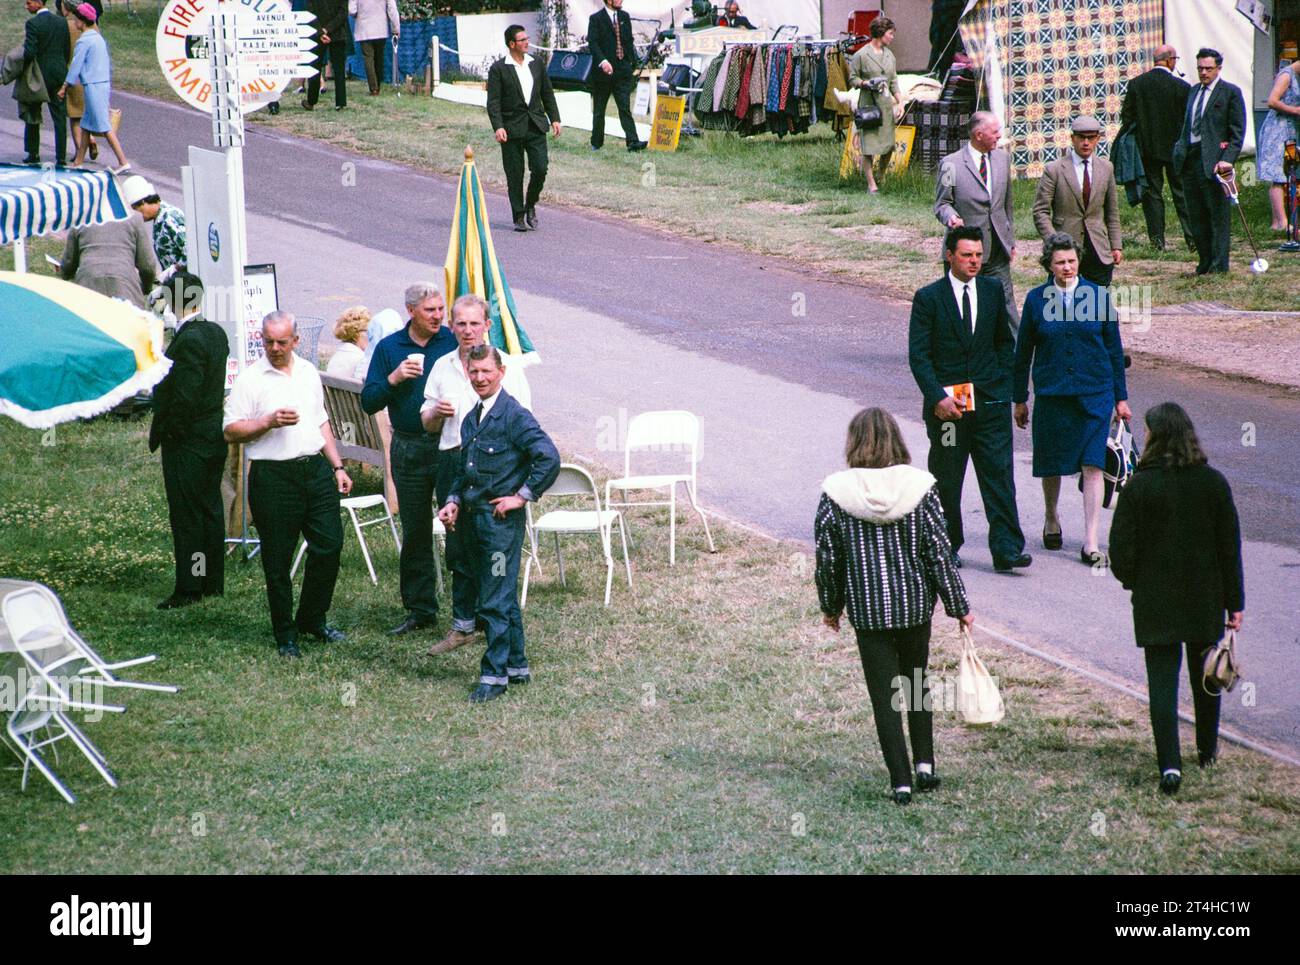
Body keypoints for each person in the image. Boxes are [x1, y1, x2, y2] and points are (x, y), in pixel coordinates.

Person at [815, 408, 971, 805]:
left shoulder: (836, 493)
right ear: (896, 440)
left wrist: (830, 606)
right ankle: (925, 764)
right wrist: (959, 606)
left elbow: (828, 560)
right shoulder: (920, 488)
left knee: (884, 697)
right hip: (915, 608)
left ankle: (899, 780)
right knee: (916, 685)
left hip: (868, 613)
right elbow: (939, 553)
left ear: (853, 442)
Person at [1109, 402, 1244, 795]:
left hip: (1156, 600)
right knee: (1207, 680)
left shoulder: (1138, 486)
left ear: (1157, 437)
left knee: (1162, 685)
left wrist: (1135, 581)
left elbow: (1121, 553)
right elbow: (1228, 549)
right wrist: (1234, 602)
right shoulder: (1213, 483)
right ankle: (1206, 752)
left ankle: (1169, 765)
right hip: (1205, 598)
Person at [224, 312, 354, 658]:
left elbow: (321, 421)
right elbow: (230, 430)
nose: (275, 348)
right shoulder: (251, 379)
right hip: (273, 477)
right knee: (278, 560)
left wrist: (337, 466)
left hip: (314, 470)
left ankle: (312, 619)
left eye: (282, 342)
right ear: (261, 340)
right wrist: (266, 422)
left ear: (296, 341)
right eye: (269, 341)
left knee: (329, 546)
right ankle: (285, 634)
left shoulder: (309, 371)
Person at [437, 345, 559, 703]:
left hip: (500, 526)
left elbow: (548, 457)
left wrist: (521, 496)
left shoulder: (514, 416)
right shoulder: (471, 417)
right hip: (472, 522)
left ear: (501, 372)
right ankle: (517, 666)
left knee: (492, 599)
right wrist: (453, 501)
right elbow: (465, 471)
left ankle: (494, 676)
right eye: (474, 373)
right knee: (500, 595)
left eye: (486, 372)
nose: (480, 379)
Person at [908, 225, 1029, 573]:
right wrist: (937, 398)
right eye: (967, 255)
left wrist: (1002, 383)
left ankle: (1007, 547)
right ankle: (945, 545)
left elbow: (1005, 343)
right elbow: (919, 356)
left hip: (990, 405)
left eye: (978, 255)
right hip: (949, 413)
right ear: (950, 256)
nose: (974, 261)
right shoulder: (929, 298)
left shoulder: (992, 291)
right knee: (946, 477)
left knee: (999, 474)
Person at [421, 294, 532, 657]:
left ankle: (496, 622)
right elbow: (425, 422)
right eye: (461, 324)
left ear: (487, 325)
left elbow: (527, 429)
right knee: (460, 551)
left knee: (495, 552)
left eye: (474, 323)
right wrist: (436, 411)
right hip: (454, 465)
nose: (467, 331)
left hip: (496, 473)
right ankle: (463, 625)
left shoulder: (506, 366)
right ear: (451, 327)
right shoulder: (442, 366)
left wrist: (518, 488)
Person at [1013, 233, 1131, 565]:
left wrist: (1121, 399)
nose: (1067, 267)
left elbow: (1113, 350)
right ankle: (1051, 517)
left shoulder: (1097, 297)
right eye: (1060, 262)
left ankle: (1091, 541)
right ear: (1048, 265)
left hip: (1095, 394)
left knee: (1093, 464)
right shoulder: (1037, 300)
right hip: (1052, 394)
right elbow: (1022, 354)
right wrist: (1019, 398)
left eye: (1071, 261)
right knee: (1051, 462)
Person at [361, 283, 457, 637]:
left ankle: (466, 611)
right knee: (415, 529)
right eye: (430, 310)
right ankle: (420, 610)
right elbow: (369, 401)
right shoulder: (389, 348)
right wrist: (395, 378)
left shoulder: (451, 341)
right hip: (409, 446)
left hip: (448, 444)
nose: (438, 317)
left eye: (440, 309)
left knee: (457, 524)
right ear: (411, 311)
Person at [148, 272, 230, 610]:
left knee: (187, 514)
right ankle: (211, 580)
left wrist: (171, 430)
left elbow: (185, 396)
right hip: (212, 434)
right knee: (209, 507)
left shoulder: (191, 340)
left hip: (189, 441)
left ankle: (190, 584)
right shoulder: (214, 332)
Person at [935, 111, 1019, 332]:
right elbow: (942, 204)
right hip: (965, 248)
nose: (999, 136)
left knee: (1006, 301)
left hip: (998, 247)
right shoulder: (950, 164)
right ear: (979, 134)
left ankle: (1017, 352)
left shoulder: (1003, 159)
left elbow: (1006, 205)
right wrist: (951, 217)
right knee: (962, 303)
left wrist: (1010, 241)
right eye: (995, 132)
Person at [1171, 48, 1246, 275]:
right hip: (1190, 159)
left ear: (1219, 68)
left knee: (1217, 215)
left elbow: (1237, 132)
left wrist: (1227, 160)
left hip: (1214, 162)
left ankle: (1218, 265)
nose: (1204, 72)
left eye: (1208, 68)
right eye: (1200, 68)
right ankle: (1204, 262)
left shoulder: (1230, 92)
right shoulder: (1193, 91)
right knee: (1196, 214)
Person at [1031, 116, 1123, 287]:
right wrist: (1054, 242)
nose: (1086, 143)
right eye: (1081, 137)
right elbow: (1040, 211)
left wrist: (1116, 244)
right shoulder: (1055, 169)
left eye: (1091, 138)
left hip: (1098, 247)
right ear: (1073, 139)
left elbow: (1112, 211)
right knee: (1063, 301)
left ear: (1098, 139)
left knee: (1098, 301)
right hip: (1066, 246)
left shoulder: (1106, 168)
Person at [487, 24, 562, 232]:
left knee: (540, 167)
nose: (527, 42)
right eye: (522, 40)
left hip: (536, 125)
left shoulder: (536, 63)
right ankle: (518, 215)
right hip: (511, 128)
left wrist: (555, 118)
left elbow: (547, 93)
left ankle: (530, 205)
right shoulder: (499, 69)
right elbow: (493, 102)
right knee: (515, 173)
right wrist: (498, 127)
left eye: (527, 38)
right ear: (512, 44)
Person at [1120, 45, 1194, 251]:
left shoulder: (1136, 84)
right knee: (1182, 193)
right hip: (1176, 150)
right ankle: (1193, 240)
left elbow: (1127, 117)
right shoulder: (1182, 87)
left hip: (1148, 149)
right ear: (1170, 60)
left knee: (1152, 194)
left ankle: (1157, 242)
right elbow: (1189, 122)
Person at [59, 4, 126, 170]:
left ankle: (123, 161)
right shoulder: (98, 38)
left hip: (92, 85)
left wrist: (65, 86)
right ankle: (78, 161)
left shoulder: (84, 41)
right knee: (86, 125)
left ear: (82, 21)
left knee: (104, 125)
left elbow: (75, 66)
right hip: (102, 83)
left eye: (76, 19)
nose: (74, 22)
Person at [848, 16, 904, 194]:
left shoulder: (890, 55)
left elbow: (893, 80)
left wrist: (900, 101)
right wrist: (865, 84)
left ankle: (880, 175)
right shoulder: (861, 55)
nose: (892, 37)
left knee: (888, 145)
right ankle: (871, 184)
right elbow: (852, 78)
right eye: (890, 33)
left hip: (885, 104)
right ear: (881, 33)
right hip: (869, 104)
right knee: (869, 146)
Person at [60, 211, 158, 308]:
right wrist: (146, 288)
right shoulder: (134, 217)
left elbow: (68, 262)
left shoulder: (81, 216)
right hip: (124, 284)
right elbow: (148, 265)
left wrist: (65, 275)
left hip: (88, 282)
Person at [586, 0, 646, 152]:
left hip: (622, 71)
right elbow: (593, 43)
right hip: (603, 73)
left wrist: (632, 64)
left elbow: (628, 41)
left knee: (624, 108)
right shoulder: (596, 19)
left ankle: (633, 142)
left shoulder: (625, 16)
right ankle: (596, 143)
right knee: (599, 109)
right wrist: (603, 62)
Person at [19, 0, 68, 167]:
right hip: (59, 72)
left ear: (39, 3)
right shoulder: (61, 21)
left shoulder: (33, 23)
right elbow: (66, 49)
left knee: (32, 113)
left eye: (29, 3)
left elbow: (30, 52)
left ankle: (33, 153)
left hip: (39, 75)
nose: (26, 6)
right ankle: (61, 156)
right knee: (59, 116)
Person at [1256, 59, 1300, 231]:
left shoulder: (1296, 77)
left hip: (1290, 132)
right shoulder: (1286, 75)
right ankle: (1282, 222)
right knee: (1277, 175)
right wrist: (1295, 110)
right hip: (1277, 130)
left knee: (1287, 172)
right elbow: (1272, 101)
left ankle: (1276, 223)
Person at [120, 175, 186, 275]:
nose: (137, 216)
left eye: (136, 210)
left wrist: (174, 269)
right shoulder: (159, 218)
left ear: (143, 202)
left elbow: (190, 251)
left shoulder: (170, 217)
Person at [304, 0, 349, 110]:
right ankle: (340, 102)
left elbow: (310, 12)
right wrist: (328, 29)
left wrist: (321, 31)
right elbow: (343, 13)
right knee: (339, 70)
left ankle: (311, 101)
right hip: (338, 33)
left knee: (315, 68)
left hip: (317, 35)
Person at [348, 0, 398, 97]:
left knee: (368, 58)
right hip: (380, 28)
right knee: (379, 58)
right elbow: (392, 9)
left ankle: (373, 88)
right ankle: (378, 85)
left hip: (364, 28)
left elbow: (352, 10)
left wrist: (357, 15)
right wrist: (395, 28)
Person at [326, 306, 370, 379]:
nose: (371, 336)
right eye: (367, 331)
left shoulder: (337, 356)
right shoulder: (362, 360)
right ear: (356, 333)